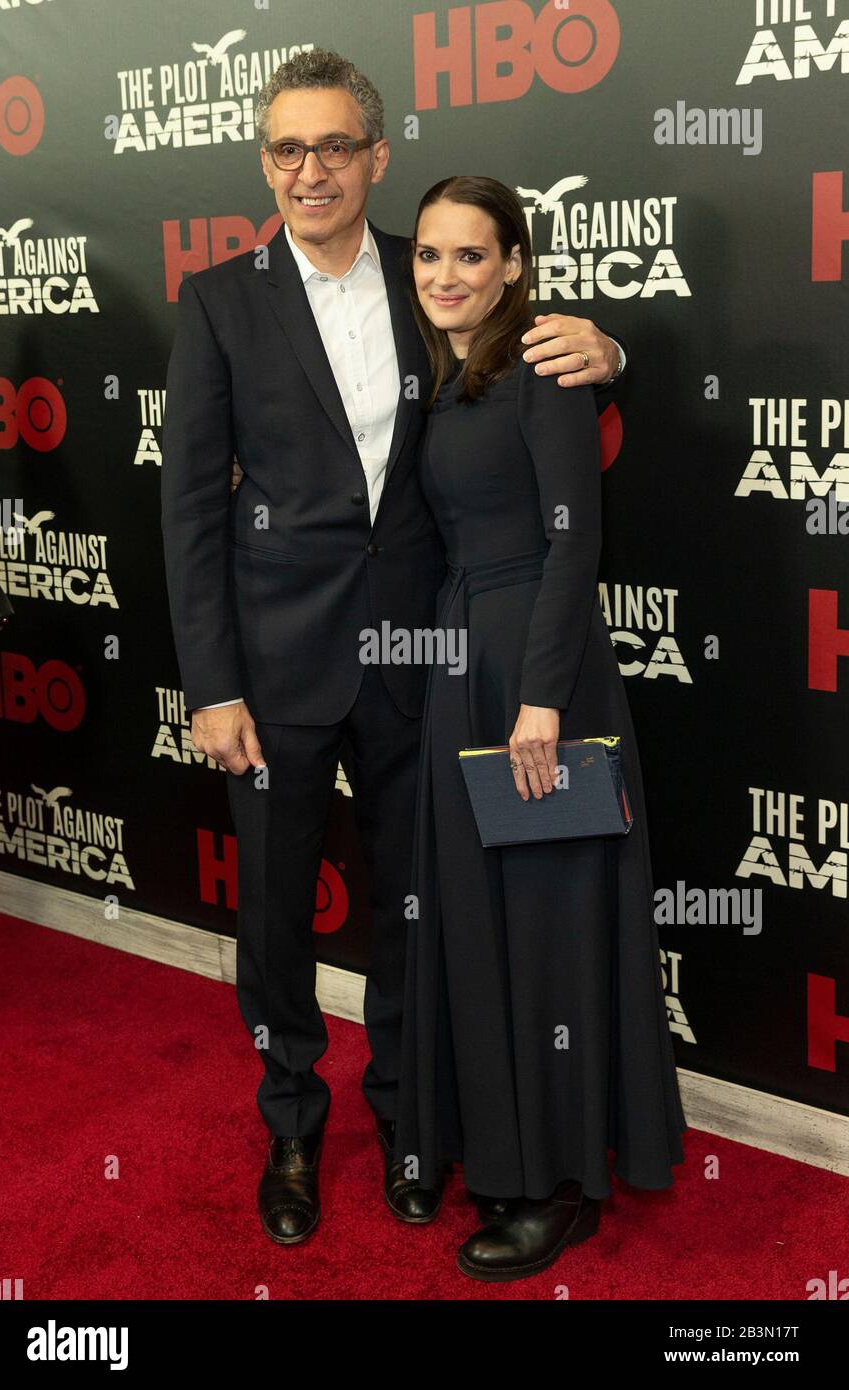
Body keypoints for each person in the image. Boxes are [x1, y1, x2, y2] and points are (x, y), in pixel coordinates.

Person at [160, 48, 626, 1248]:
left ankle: (413, 1129)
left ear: (376, 155)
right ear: (263, 161)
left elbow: (523, 361)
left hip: (428, 657)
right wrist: (209, 682)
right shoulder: (219, 300)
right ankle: (294, 1132)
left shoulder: (428, 279)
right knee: (273, 917)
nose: (306, 170)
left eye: (330, 146)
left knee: (421, 909)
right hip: (272, 668)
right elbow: (192, 511)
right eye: (283, 149)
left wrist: (609, 348)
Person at [393, 176, 687, 1282]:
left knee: (553, 923)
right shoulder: (449, 377)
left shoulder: (545, 365)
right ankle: (497, 1148)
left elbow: (575, 541)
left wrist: (541, 697)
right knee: (481, 918)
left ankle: (558, 1184)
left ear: (514, 264)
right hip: (462, 662)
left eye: (471, 256)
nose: (445, 277)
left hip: (537, 673)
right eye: (428, 256)